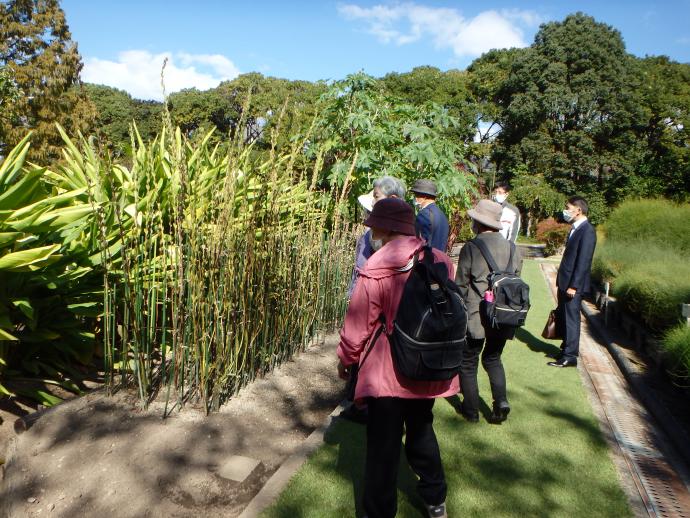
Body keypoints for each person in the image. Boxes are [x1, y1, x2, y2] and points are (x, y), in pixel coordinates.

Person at [337, 198, 457, 518]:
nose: (370, 228)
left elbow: (358, 325)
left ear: (386, 227)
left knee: (383, 449)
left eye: (374, 222)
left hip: (387, 373)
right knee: (421, 431)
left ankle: (378, 513)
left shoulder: (377, 265)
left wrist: (346, 359)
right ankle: (436, 499)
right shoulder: (440, 259)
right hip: (428, 366)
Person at [455, 199, 521, 423]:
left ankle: (471, 411)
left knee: (468, 361)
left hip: (477, 315)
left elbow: (461, 284)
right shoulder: (513, 248)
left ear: (478, 222)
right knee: (493, 358)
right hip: (505, 314)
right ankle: (500, 402)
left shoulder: (472, 247)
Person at [548, 196, 596, 368]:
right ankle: (565, 348)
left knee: (571, 318)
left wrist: (574, 285)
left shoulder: (587, 231)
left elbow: (584, 261)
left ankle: (570, 355)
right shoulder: (575, 228)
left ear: (578, 210)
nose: (565, 211)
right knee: (564, 315)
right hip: (565, 281)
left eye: (568, 208)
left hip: (572, 285)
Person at [347, 176, 406, 298]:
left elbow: (361, 269)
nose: (373, 202)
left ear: (393, 199)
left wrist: (353, 297)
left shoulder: (373, 234)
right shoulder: (409, 234)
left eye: (376, 196)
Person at [411, 179, 450, 252]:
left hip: (427, 260)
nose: (415, 198)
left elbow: (420, 242)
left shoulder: (424, 214)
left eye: (416, 195)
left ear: (425, 197)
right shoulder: (442, 215)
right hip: (441, 259)